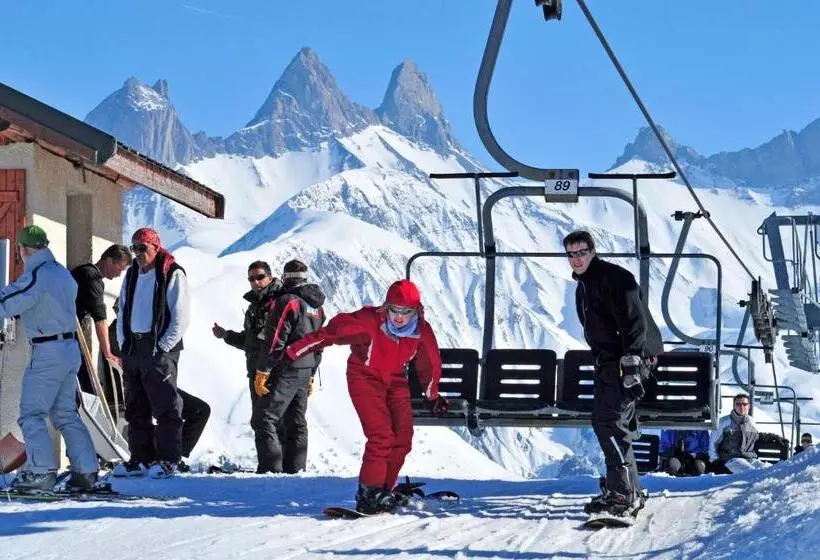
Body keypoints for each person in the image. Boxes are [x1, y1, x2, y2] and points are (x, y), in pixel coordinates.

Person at [275, 279, 446, 514]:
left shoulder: (420, 331)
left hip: (395, 380)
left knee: (403, 436)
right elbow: (329, 335)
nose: (398, 317)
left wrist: (432, 395)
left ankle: (386, 488)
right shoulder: (369, 322)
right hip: (364, 377)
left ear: (416, 311)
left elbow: (430, 363)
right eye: (394, 310)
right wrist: (293, 352)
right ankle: (369, 493)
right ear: (386, 307)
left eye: (405, 312)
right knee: (381, 435)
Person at [563, 231, 664, 517]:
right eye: (571, 254)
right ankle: (625, 489)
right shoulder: (585, 284)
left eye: (581, 252)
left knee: (608, 422)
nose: (576, 259)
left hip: (628, 363)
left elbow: (634, 320)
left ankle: (623, 494)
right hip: (609, 364)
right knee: (609, 423)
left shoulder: (614, 278)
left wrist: (632, 360)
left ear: (593, 251)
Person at [0, 225, 98, 491]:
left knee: (31, 413)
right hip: (68, 349)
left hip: (47, 351)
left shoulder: (38, 275)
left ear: (23, 249)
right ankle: (86, 471)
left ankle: (41, 472)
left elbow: (11, 300)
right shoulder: (62, 274)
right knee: (66, 413)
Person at [113, 227, 189, 479]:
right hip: (134, 348)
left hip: (158, 349)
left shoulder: (171, 273)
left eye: (142, 248)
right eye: (134, 248)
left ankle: (168, 460)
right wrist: (124, 343)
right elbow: (122, 308)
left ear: (156, 247)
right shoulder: (133, 274)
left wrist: (163, 347)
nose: (138, 254)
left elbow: (180, 315)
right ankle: (141, 459)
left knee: (166, 405)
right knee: (136, 406)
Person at [107, 299, 210, 475]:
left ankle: (173, 456)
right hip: (143, 386)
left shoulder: (153, 327)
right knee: (167, 415)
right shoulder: (120, 330)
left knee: (198, 410)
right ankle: (161, 459)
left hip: (157, 382)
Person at [252, 260, 325, 474]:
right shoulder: (316, 306)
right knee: (296, 421)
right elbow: (320, 341)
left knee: (264, 418)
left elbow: (276, 340)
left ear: (285, 277)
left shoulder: (288, 301)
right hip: (307, 366)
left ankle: (270, 471)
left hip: (287, 367)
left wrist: (263, 370)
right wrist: (311, 373)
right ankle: (295, 471)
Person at [212, 261, 282, 416]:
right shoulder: (255, 306)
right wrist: (226, 335)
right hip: (256, 374)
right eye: (251, 278)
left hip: (274, 374)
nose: (255, 281)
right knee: (261, 423)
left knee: (270, 424)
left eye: (260, 277)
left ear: (270, 277)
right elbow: (250, 341)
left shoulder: (279, 303)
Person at [72, 244, 132, 394]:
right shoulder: (92, 278)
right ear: (109, 261)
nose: (119, 274)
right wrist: (108, 353)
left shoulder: (83, 271)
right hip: (65, 338)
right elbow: (100, 319)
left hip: (64, 335)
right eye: (120, 268)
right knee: (86, 388)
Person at [709, 393, 766, 474]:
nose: (741, 407)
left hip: (750, 458)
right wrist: (715, 461)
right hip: (731, 459)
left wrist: (773, 438)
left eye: (744, 404)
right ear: (734, 406)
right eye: (738, 404)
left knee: (767, 469)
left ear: (749, 406)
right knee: (750, 472)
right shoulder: (723, 422)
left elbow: (757, 437)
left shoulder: (752, 422)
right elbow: (713, 443)